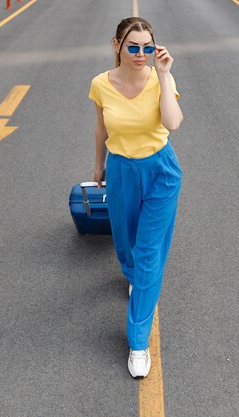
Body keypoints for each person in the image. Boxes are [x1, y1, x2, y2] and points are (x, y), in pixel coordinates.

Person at [88, 17, 183, 378]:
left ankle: (138, 342)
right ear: (116, 46)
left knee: (148, 255)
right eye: (133, 47)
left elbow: (172, 124)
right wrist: (98, 166)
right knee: (126, 244)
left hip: (160, 172)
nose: (141, 54)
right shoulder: (101, 84)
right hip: (122, 171)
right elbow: (100, 127)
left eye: (148, 47)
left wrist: (163, 75)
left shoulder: (162, 80)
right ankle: (132, 277)